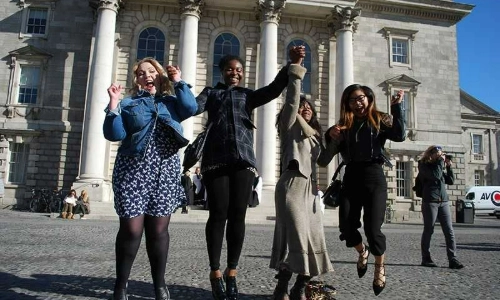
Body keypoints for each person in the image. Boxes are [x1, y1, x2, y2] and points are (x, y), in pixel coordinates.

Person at [195, 47, 302, 300]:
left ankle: (232, 272)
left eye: (239, 70)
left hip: (243, 160)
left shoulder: (247, 95)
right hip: (216, 161)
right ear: (222, 72)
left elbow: (274, 89)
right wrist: (176, 86)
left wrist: (291, 65)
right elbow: (191, 107)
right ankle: (215, 272)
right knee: (218, 214)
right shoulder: (211, 93)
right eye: (230, 69)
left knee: (238, 216)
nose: (235, 73)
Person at [103, 57, 197, 300]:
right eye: (141, 73)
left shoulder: (172, 102)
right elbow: (114, 134)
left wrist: (178, 81)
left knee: (158, 231)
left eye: (151, 71)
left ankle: (159, 286)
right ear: (136, 79)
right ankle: (121, 285)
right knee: (132, 230)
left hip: (164, 171)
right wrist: (113, 105)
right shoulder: (128, 103)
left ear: (159, 75)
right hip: (132, 171)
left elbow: (191, 108)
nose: (146, 75)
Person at [318, 85, 406, 296]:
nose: (358, 103)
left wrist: (397, 108)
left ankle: (379, 267)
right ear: (346, 104)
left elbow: (400, 135)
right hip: (352, 177)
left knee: (373, 229)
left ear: (368, 98)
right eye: (352, 100)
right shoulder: (343, 126)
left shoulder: (379, 119)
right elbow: (323, 160)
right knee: (346, 228)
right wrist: (331, 137)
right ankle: (362, 251)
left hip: (374, 177)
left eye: (361, 98)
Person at [270, 50, 333, 300]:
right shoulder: (288, 125)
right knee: (294, 236)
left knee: (313, 239)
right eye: (303, 106)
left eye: (309, 107)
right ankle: (281, 287)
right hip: (292, 185)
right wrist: (295, 69)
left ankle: (298, 287)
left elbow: (324, 159)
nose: (305, 108)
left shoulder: (315, 136)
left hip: (311, 191)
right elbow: (293, 101)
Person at [418, 146, 464, 269]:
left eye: (441, 154)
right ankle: (426, 258)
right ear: (430, 154)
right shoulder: (423, 165)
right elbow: (436, 176)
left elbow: (450, 180)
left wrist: (448, 167)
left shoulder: (439, 166)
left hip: (443, 201)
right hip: (430, 201)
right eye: (438, 154)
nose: (440, 157)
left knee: (449, 231)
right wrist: (440, 162)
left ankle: (453, 259)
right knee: (429, 229)